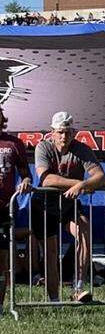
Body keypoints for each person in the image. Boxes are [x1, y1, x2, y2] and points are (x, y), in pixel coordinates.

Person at [32, 112, 105, 303]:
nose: (64, 136)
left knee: (84, 229)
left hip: (68, 205)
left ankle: (78, 287)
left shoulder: (81, 149)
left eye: (67, 132)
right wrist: (78, 183)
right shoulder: (43, 147)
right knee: (51, 251)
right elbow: (46, 178)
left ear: (74, 132)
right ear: (52, 133)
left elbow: (101, 178)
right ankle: (54, 299)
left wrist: (82, 185)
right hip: (44, 205)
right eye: (60, 132)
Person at [0, 105, 33, 307]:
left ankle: (1, 306)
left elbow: (25, 173)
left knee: (2, 259)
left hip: (4, 210)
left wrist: (27, 181)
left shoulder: (14, 143)